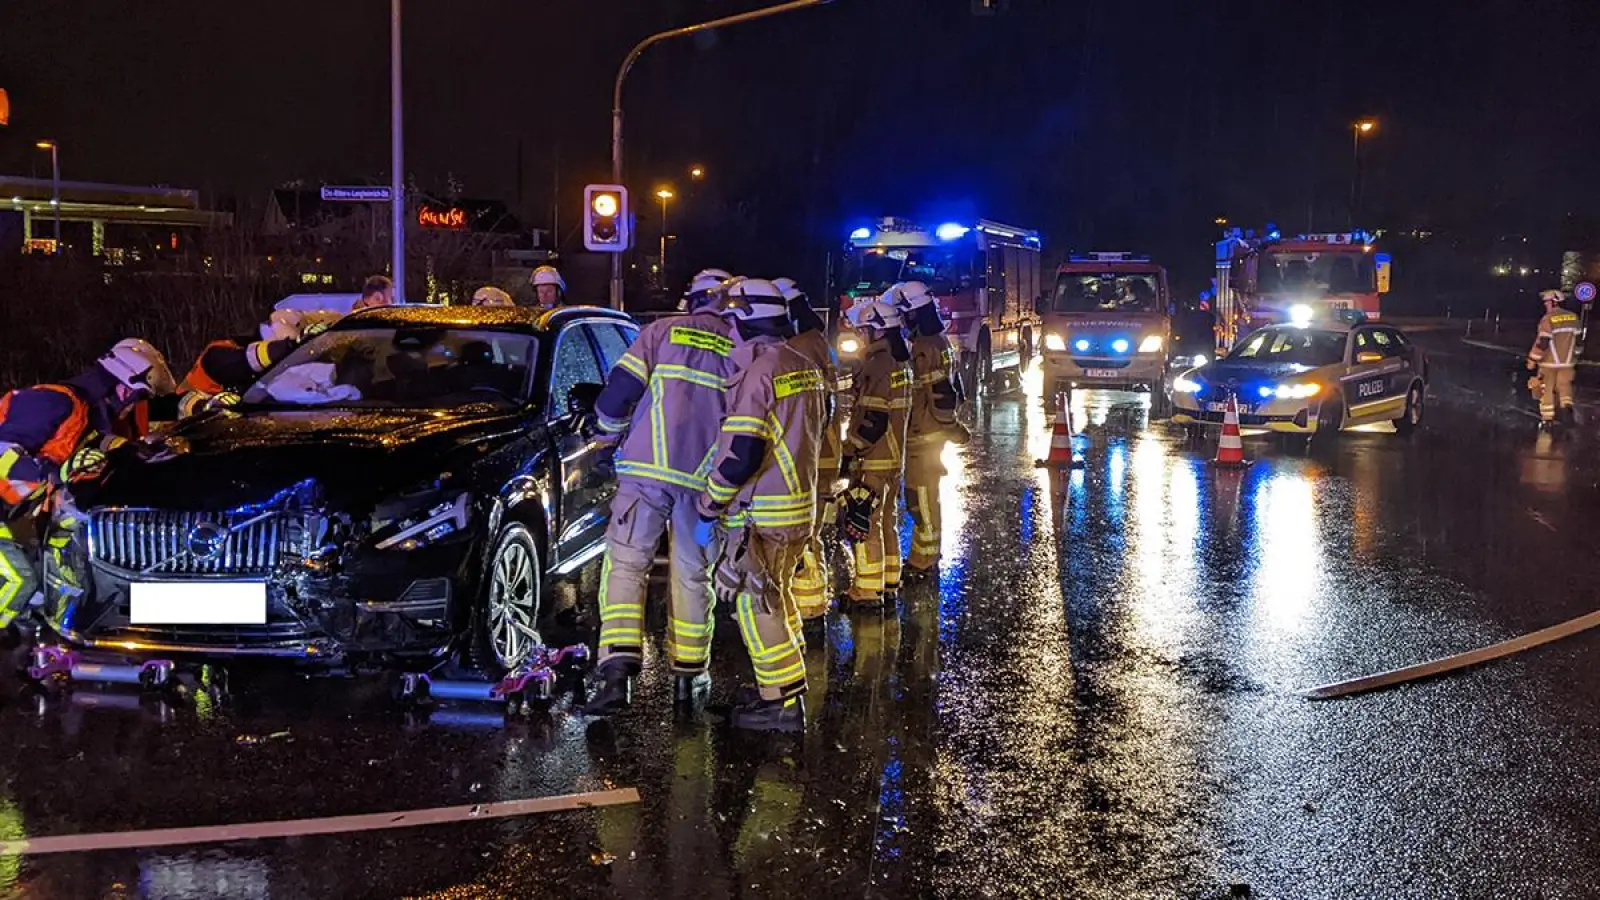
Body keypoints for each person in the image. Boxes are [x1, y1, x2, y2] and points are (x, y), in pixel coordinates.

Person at [586, 270, 737, 715]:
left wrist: (605, 437)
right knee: (692, 572)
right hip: (704, 483)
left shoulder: (660, 332)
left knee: (627, 566)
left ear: (691, 300)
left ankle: (616, 675)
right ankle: (688, 678)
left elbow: (618, 395)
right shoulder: (740, 347)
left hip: (644, 472)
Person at [693, 278, 824, 731]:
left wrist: (711, 502)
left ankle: (782, 706)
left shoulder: (760, 373)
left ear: (747, 320)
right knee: (777, 592)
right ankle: (784, 686)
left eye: (732, 320)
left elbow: (743, 452)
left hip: (764, 512)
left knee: (754, 602)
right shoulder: (801, 363)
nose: (728, 330)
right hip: (798, 505)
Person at [0, 340, 176, 632]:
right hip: (6, 516)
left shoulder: (81, 412)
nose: (132, 405)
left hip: (14, 518)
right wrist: (55, 473)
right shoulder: (53, 401)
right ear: (123, 387)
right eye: (137, 397)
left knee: (49, 585)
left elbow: (95, 442)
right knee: (19, 582)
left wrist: (141, 451)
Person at [772, 276, 840, 624]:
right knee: (810, 529)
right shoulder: (818, 341)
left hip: (810, 451)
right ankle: (811, 600)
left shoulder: (799, 347)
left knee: (806, 531)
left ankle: (809, 605)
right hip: (823, 448)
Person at [838, 295, 912, 607]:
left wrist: (850, 450)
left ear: (878, 331)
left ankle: (867, 591)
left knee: (865, 522)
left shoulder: (878, 365)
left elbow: (872, 419)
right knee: (886, 521)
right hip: (895, 458)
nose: (861, 336)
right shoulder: (900, 364)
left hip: (874, 459)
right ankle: (889, 580)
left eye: (864, 330)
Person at [892, 281, 968, 579]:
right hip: (928, 432)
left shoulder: (925, 346)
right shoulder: (938, 341)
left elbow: (941, 393)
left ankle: (924, 562)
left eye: (904, 313)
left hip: (924, 435)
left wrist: (950, 427)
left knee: (920, 500)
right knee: (924, 498)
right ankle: (925, 556)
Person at [1528, 290, 1581, 427]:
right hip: (1567, 363)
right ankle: (1566, 407)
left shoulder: (1548, 319)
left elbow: (1543, 342)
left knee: (1546, 390)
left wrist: (1533, 359)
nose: (1545, 305)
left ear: (1553, 302)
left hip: (1549, 364)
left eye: (1546, 302)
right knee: (1565, 387)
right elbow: (1579, 342)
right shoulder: (1573, 317)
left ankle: (1547, 419)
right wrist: (1574, 356)